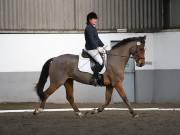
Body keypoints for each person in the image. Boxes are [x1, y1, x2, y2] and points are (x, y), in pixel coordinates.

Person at [84, 12, 106, 86]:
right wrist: (97, 48)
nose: (96, 20)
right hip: (90, 49)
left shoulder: (93, 28)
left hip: (94, 48)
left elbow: (97, 39)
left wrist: (103, 45)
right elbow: (91, 40)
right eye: (94, 19)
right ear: (90, 20)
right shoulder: (88, 28)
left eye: (96, 19)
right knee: (100, 62)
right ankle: (94, 78)